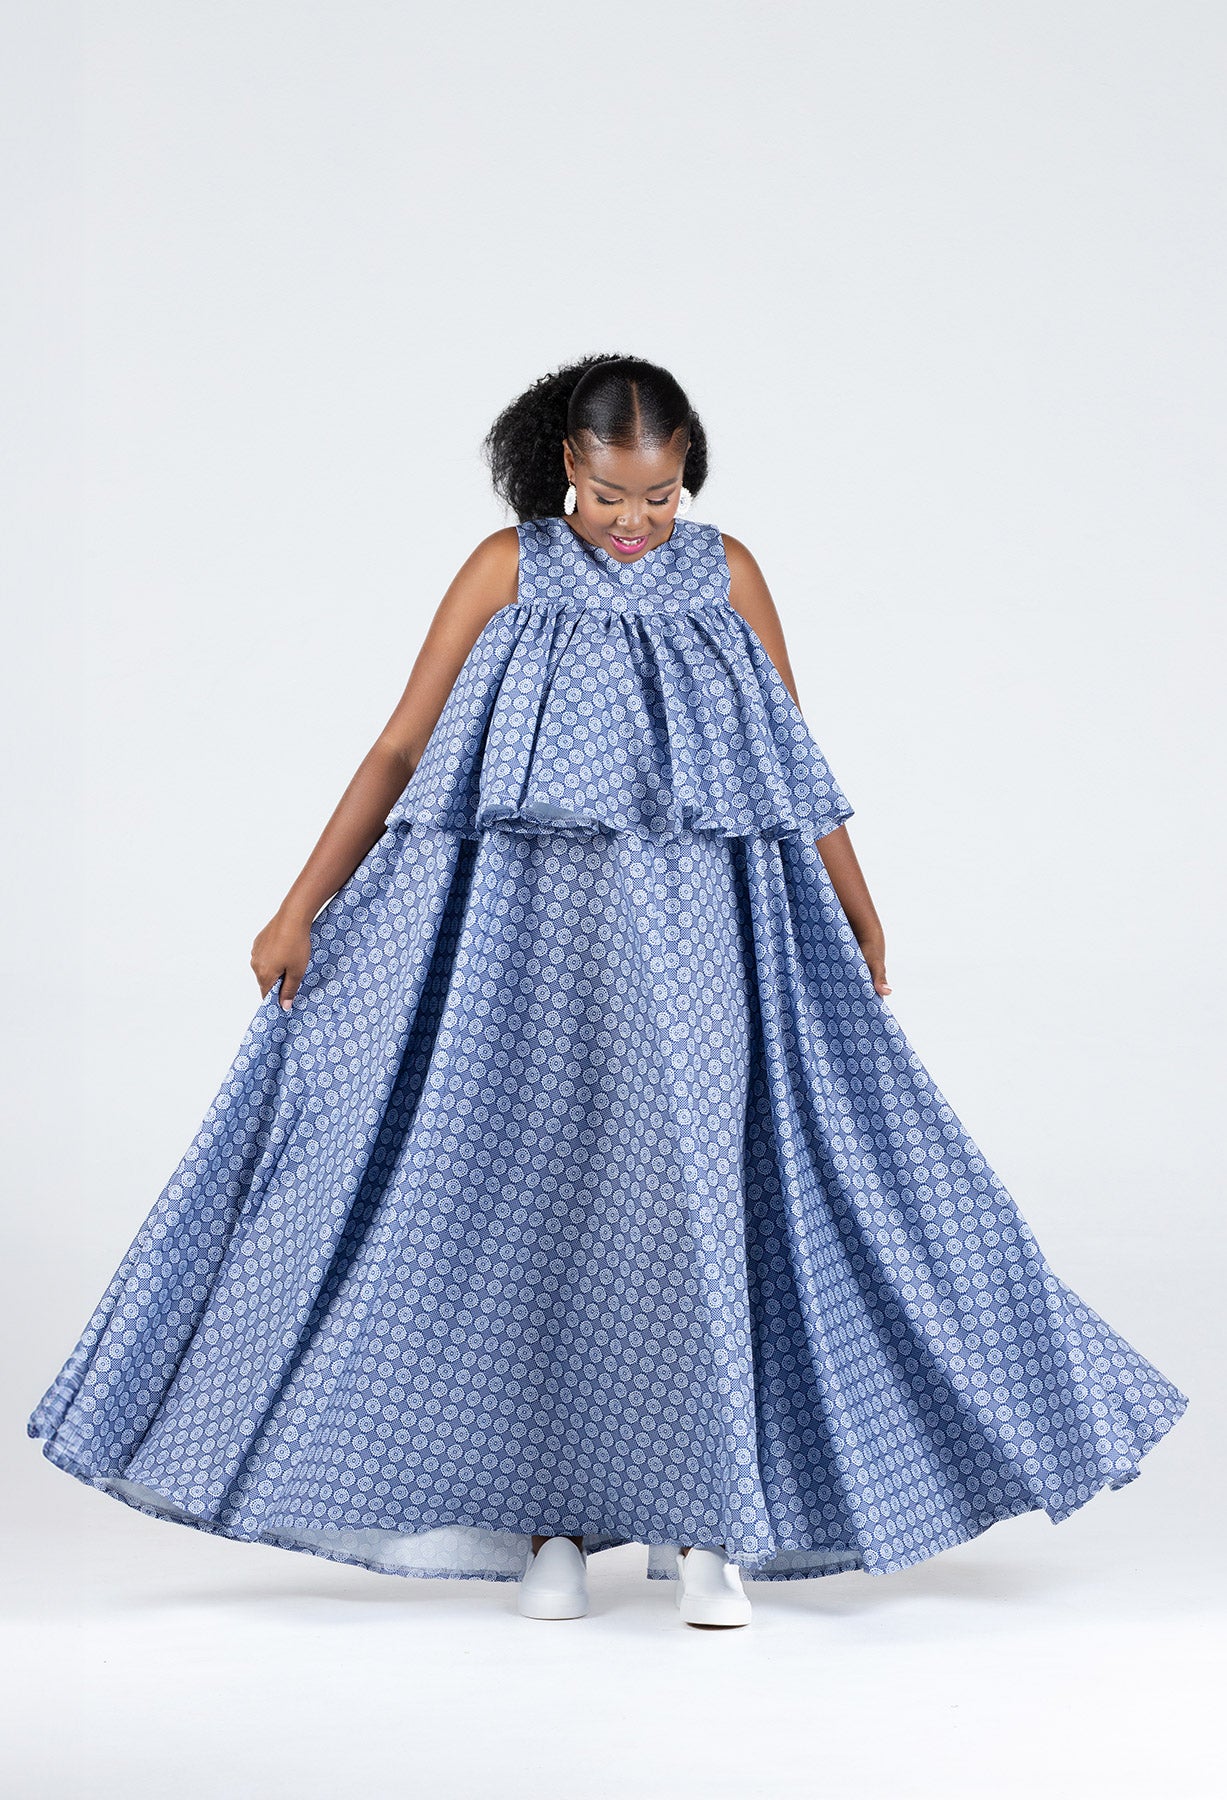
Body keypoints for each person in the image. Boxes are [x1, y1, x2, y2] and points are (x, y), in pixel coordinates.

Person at [27, 353, 1188, 1631]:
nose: (635, 523)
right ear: (566, 467)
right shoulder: (506, 569)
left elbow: (789, 755)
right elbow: (403, 744)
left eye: (660, 496)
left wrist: (856, 900)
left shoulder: (728, 574)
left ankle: (711, 1527)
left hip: (705, 947)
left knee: (699, 1202)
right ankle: (555, 1523)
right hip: (531, 950)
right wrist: (299, 904)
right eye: (609, 496)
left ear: (688, 474)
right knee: (543, 1203)